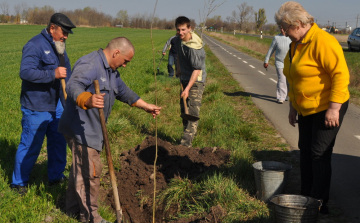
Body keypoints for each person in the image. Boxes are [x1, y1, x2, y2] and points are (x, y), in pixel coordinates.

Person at [58, 37, 161, 223]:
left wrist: (145, 106)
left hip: (93, 130)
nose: (125, 65)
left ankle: (72, 210)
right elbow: (73, 85)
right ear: (116, 53)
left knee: (80, 170)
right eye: (125, 61)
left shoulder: (111, 71)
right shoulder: (91, 63)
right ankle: (91, 218)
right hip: (81, 129)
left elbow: (124, 92)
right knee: (91, 173)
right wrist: (87, 99)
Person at [275, 1, 350, 214]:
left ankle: (318, 204)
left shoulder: (323, 41)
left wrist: (334, 108)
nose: (283, 32)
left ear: (298, 23)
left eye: (285, 27)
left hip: (329, 104)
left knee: (319, 153)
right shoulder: (295, 44)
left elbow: (340, 74)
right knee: (305, 151)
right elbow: (293, 78)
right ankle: (305, 196)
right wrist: (292, 106)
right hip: (306, 106)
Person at [11, 13, 76, 195]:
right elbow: (25, 72)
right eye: (64, 32)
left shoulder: (60, 47)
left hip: (57, 106)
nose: (65, 36)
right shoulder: (35, 45)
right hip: (36, 106)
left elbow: (67, 74)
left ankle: (55, 177)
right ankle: (18, 183)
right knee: (31, 144)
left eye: (67, 34)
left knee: (58, 143)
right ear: (52, 27)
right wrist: (51, 75)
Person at [175, 16, 206, 147]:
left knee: (193, 112)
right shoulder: (177, 40)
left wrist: (187, 89)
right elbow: (176, 54)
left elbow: (196, 71)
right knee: (184, 109)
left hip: (196, 80)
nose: (181, 32)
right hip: (184, 77)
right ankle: (188, 135)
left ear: (190, 29)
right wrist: (178, 69)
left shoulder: (194, 48)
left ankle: (185, 146)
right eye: (178, 30)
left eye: (183, 30)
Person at [263, 28, 291, 104]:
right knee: (282, 79)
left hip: (290, 62)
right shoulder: (276, 38)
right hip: (279, 62)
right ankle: (281, 97)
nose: (282, 29)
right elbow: (271, 50)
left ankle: (288, 95)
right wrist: (266, 60)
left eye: (284, 27)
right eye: (281, 28)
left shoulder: (291, 37)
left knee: (289, 80)